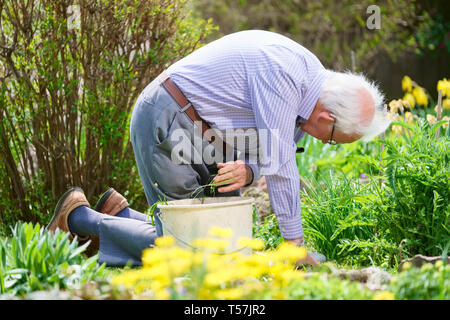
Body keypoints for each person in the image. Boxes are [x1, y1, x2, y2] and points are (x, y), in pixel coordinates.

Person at [47, 30, 390, 267]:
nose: (323, 142)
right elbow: (282, 165)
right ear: (327, 116)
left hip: (207, 137)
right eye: (331, 138)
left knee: (223, 242)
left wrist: (251, 168)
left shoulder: (313, 87)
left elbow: (279, 142)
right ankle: (79, 218)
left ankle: (121, 216)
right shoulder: (287, 74)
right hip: (169, 122)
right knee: (192, 256)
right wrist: (294, 248)